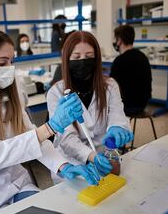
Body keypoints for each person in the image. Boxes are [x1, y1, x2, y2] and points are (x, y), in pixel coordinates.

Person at [0, 28, 101, 214]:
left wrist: (63, 166)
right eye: (3, 62)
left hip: (15, 184)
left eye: (12, 61)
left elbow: (32, 137)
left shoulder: (11, 92)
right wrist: (50, 128)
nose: (9, 68)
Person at [47, 31, 134, 182]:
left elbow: (117, 117)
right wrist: (92, 157)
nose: (83, 62)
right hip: (72, 163)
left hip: (104, 156)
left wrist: (117, 129)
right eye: (76, 57)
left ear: (97, 58)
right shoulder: (56, 93)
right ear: (67, 60)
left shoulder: (110, 86)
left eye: (88, 56)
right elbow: (66, 139)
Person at [110, 25, 152, 116]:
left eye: (115, 39)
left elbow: (111, 86)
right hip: (143, 104)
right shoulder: (143, 56)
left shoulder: (119, 61)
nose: (115, 42)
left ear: (120, 40)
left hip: (127, 106)